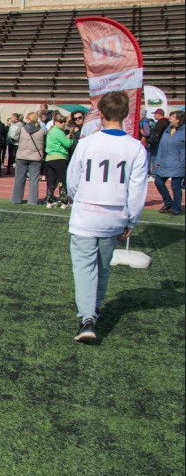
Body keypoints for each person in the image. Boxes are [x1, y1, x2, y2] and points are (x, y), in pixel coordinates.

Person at [67, 91, 148, 342]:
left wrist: (78, 200)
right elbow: (137, 189)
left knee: (84, 268)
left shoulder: (87, 143)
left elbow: (72, 180)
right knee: (103, 267)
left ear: (100, 113)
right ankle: (95, 309)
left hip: (86, 214)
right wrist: (131, 219)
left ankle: (87, 317)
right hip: (114, 215)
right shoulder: (135, 147)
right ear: (125, 114)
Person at [152, 110, 185, 216]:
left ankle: (176, 208)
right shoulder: (168, 129)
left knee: (175, 185)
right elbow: (161, 145)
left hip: (179, 162)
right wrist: (157, 161)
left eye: (172, 117)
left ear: (179, 120)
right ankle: (168, 202)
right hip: (165, 161)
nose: (169, 118)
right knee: (158, 181)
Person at [10, 112, 46, 205]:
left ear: (29, 119)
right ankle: (33, 201)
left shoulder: (22, 129)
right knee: (34, 180)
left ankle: (16, 199)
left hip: (22, 156)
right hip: (36, 157)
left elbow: (13, 138)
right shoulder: (42, 130)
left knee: (19, 178)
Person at [45, 113, 73, 208]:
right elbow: (67, 144)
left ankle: (50, 200)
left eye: (64, 122)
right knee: (62, 180)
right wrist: (70, 140)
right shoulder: (58, 132)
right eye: (61, 122)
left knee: (51, 180)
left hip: (49, 158)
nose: (63, 124)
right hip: (59, 157)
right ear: (56, 122)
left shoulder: (50, 131)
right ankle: (64, 201)